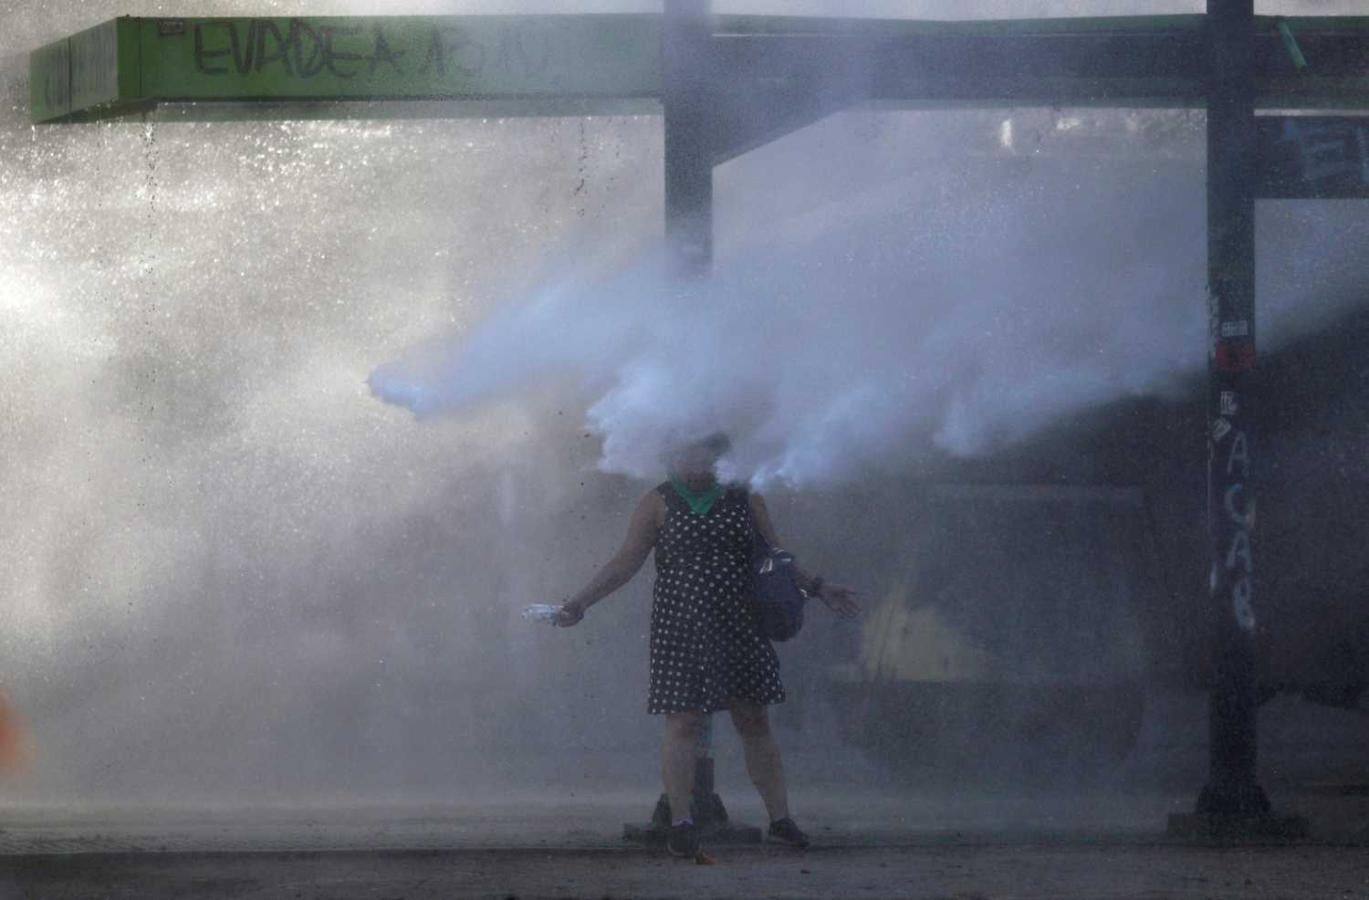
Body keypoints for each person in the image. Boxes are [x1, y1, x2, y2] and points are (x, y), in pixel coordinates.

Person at [554, 432, 859, 858]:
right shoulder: (657, 502)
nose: (695, 463)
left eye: (704, 454)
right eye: (685, 454)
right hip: (681, 627)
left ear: (717, 457)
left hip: (740, 624)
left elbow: (776, 559)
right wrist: (580, 602)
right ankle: (681, 824)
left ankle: (781, 820)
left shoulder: (745, 498)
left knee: (754, 720)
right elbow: (625, 563)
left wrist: (819, 588)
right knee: (684, 722)